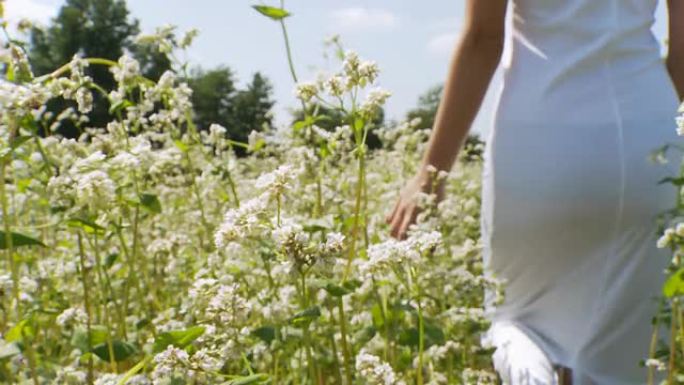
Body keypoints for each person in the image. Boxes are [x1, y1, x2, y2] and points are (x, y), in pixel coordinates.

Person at [385, 0, 684, 384]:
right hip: (648, 139)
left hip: (539, 142)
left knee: (517, 324)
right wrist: (652, 131)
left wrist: (431, 174)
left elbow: (482, 38)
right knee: (630, 360)